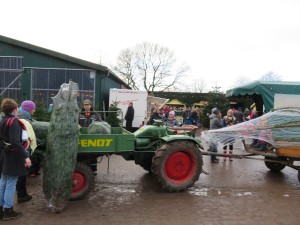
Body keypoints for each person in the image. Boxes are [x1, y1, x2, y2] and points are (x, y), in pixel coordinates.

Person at [0, 98, 31, 220]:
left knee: (3, 182)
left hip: (4, 155)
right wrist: (26, 156)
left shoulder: (2, 120)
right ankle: (8, 210)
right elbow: (16, 142)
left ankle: (1, 210)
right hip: (13, 157)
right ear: (14, 110)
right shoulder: (14, 121)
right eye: (17, 109)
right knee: (11, 184)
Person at [16, 100, 37, 204]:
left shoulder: (22, 116)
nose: (34, 110)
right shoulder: (23, 119)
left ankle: (22, 194)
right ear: (29, 109)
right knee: (21, 173)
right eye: (33, 108)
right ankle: (21, 195)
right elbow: (25, 137)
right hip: (21, 150)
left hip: (18, 149)